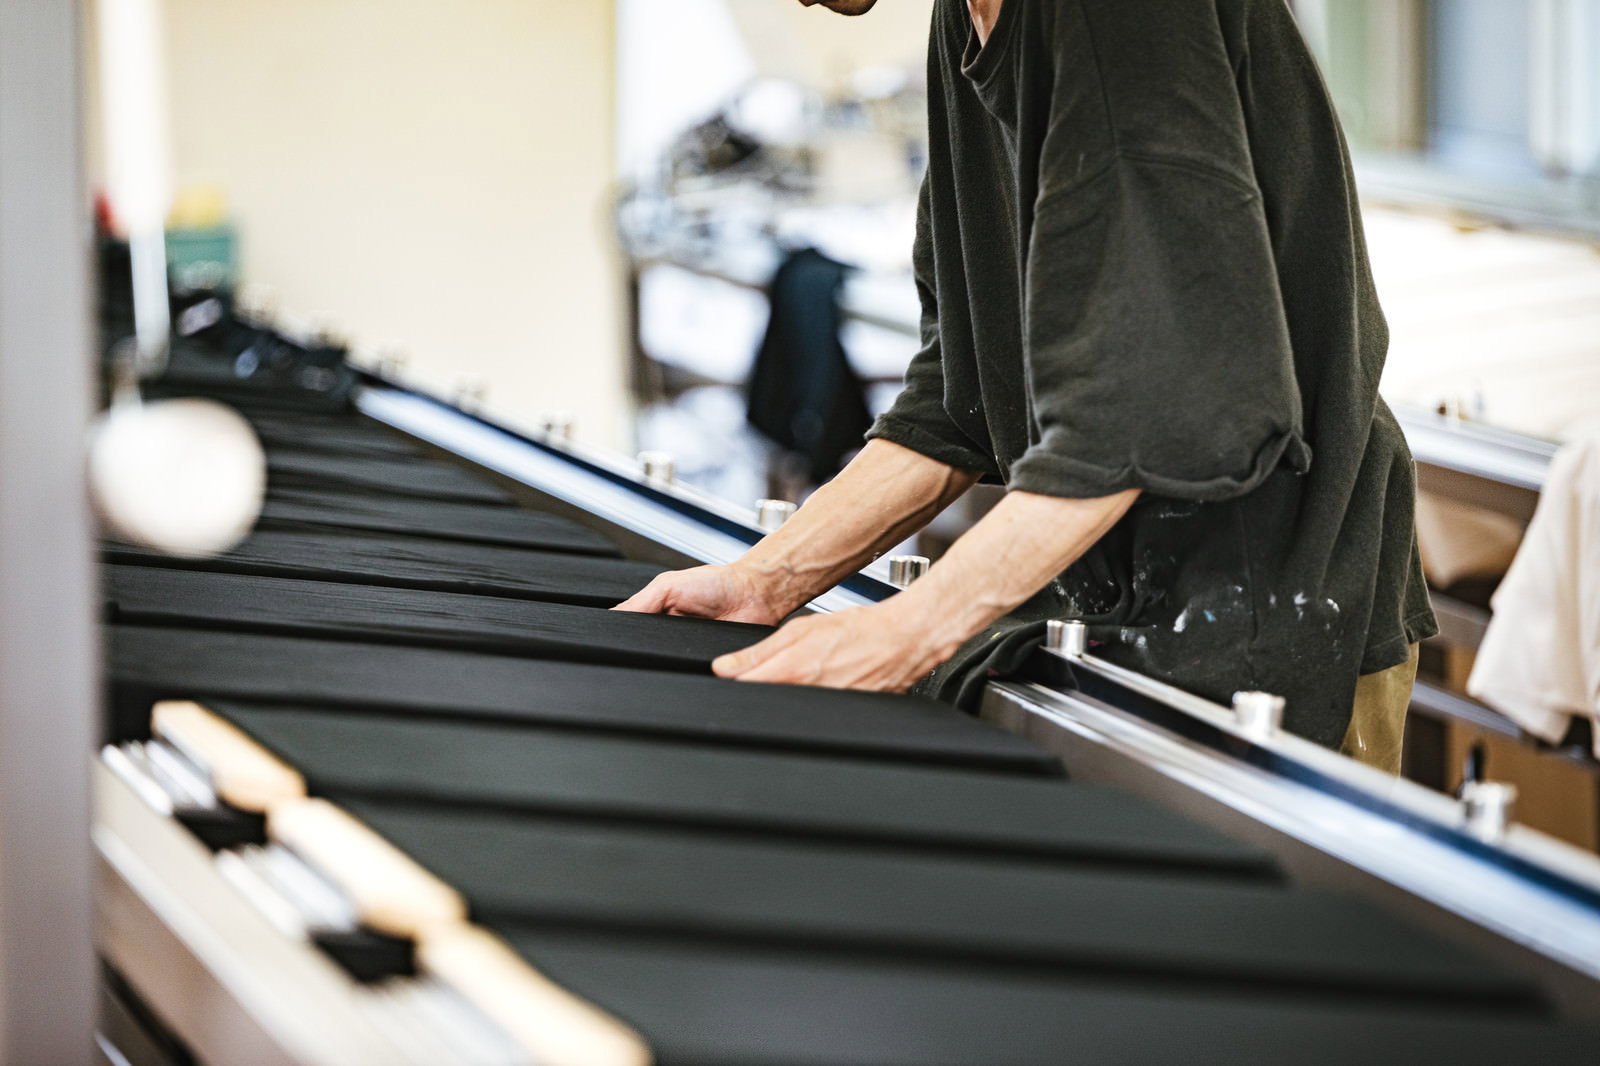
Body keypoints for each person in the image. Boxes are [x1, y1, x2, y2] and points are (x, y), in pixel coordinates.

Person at [617, 0, 1437, 773]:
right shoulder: (967, 18)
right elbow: (959, 397)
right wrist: (767, 579)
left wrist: (906, 632)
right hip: (1106, 603)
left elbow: (1148, 416)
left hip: (1270, 604)